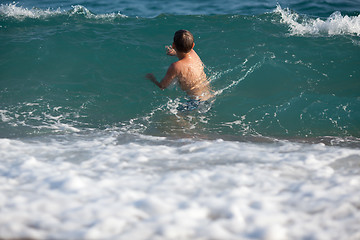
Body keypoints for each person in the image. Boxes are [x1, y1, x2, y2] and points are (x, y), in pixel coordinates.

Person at [146, 30, 212, 110]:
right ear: (193, 46)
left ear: (173, 45)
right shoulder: (193, 53)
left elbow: (162, 86)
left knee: (174, 119)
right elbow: (185, 54)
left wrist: (152, 79)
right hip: (209, 96)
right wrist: (174, 52)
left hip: (195, 102)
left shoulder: (175, 66)